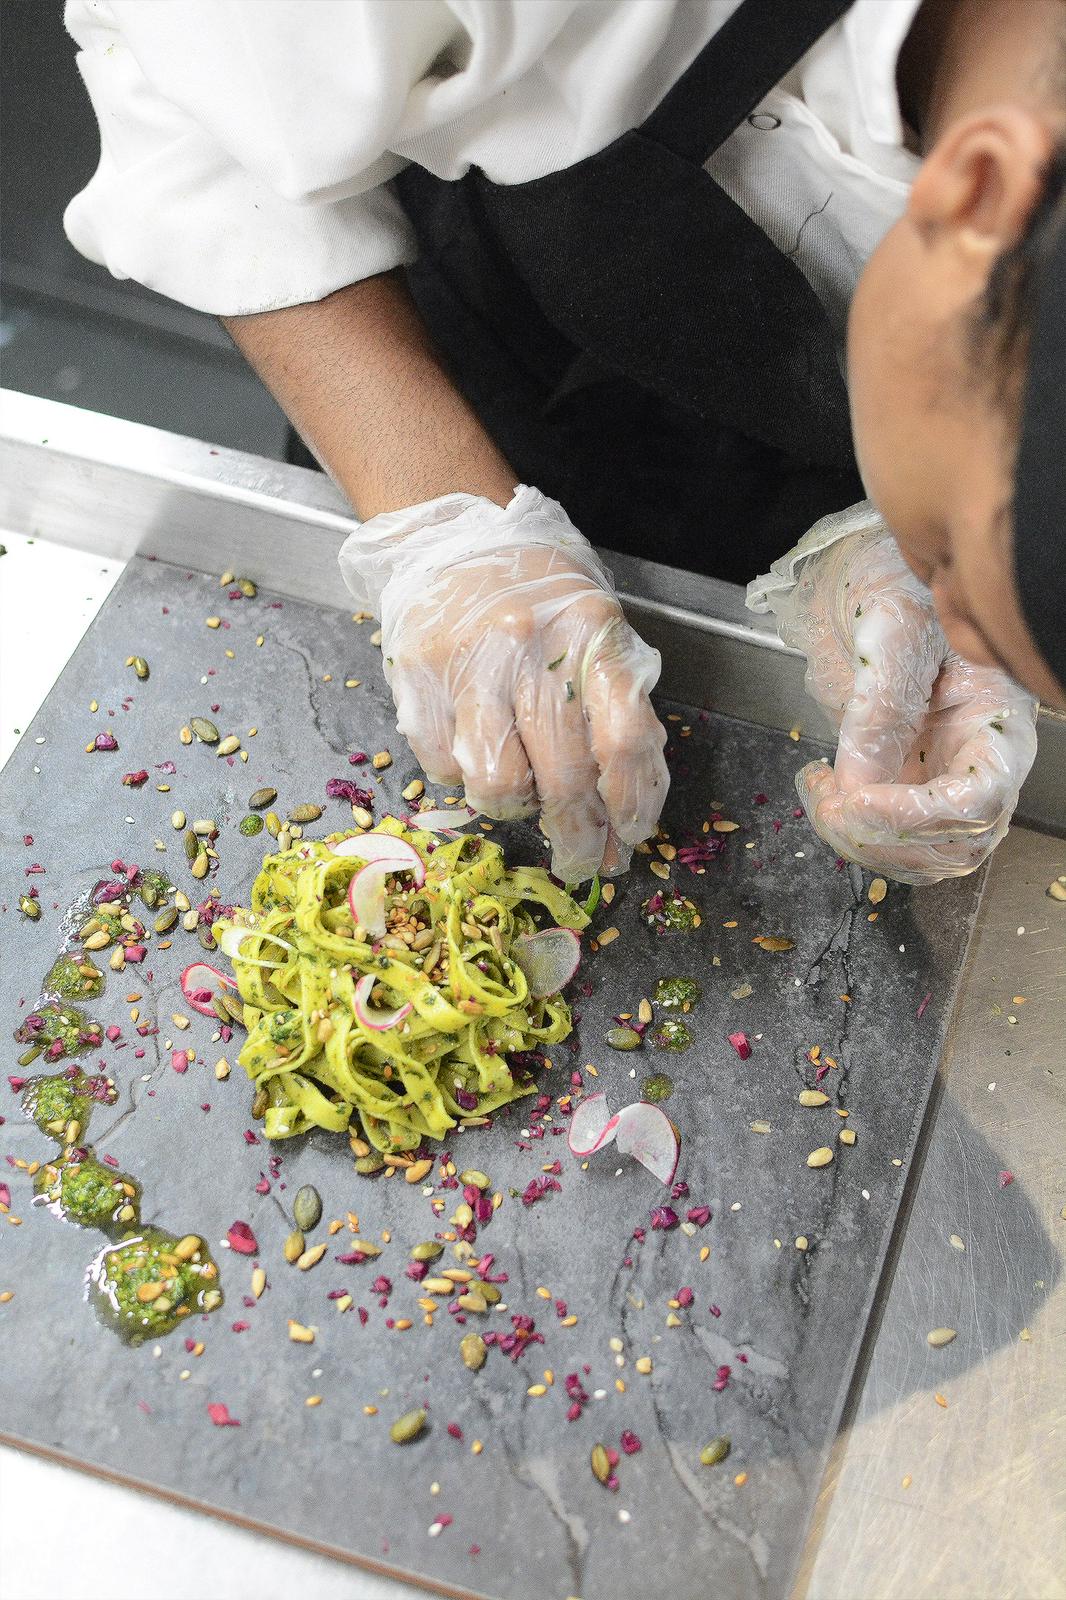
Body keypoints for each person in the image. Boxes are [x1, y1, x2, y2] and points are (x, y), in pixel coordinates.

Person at [63, 0, 1065, 885]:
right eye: (943, 549)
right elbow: (180, 96)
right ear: (976, 193)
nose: (961, 633)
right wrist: (440, 524)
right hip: (474, 357)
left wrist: (927, 557)